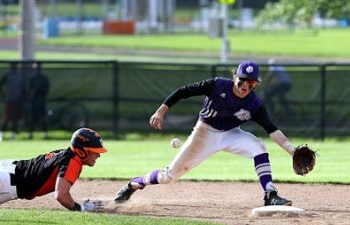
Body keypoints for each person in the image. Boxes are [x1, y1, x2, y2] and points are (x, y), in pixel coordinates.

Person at [115, 61, 301, 207]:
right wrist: (161, 110)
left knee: (259, 147)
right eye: (242, 80)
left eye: (251, 82)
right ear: (234, 76)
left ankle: (270, 194)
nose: (245, 85)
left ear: (256, 84)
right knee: (168, 177)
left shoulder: (254, 104)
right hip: (204, 133)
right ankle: (133, 184)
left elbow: (272, 129)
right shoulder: (218, 85)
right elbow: (184, 91)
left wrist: (292, 150)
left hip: (230, 134)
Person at [0, 127, 107, 212]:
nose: (98, 155)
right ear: (82, 151)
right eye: (95, 151)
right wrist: (82, 209)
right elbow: (61, 196)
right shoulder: (73, 162)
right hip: (6, 181)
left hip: (8, 171)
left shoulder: (65, 154)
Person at [0, 62, 24, 141]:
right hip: (9, 100)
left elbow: (23, 88)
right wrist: (3, 95)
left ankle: (13, 136)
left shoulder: (19, 76)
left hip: (17, 100)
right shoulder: (7, 76)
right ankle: (1, 135)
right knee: (6, 118)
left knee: (15, 118)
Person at [28, 62, 50, 139]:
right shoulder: (32, 78)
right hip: (34, 101)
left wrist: (39, 91)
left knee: (43, 117)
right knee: (33, 118)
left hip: (41, 100)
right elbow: (30, 89)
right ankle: (30, 134)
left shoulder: (44, 78)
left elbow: (46, 89)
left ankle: (45, 134)